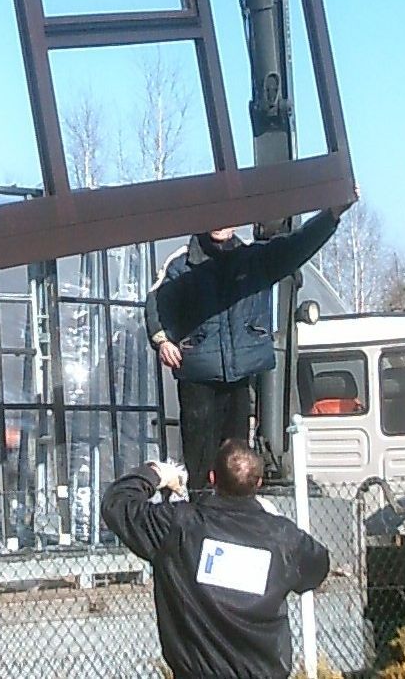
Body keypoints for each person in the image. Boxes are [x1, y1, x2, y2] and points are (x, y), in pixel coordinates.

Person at [144, 207, 344, 489]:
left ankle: (235, 512)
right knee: (200, 459)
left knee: (237, 458)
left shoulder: (253, 258)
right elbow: (157, 301)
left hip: (239, 375)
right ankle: (202, 512)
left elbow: (297, 246)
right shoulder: (182, 262)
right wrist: (162, 339)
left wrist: (331, 216)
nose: (220, 223)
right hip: (198, 375)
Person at [102, 439, 330, 679]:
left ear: (212, 478)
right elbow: (318, 567)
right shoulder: (283, 537)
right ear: (259, 483)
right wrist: (275, 525)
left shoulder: (178, 526)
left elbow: (117, 503)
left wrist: (156, 473)